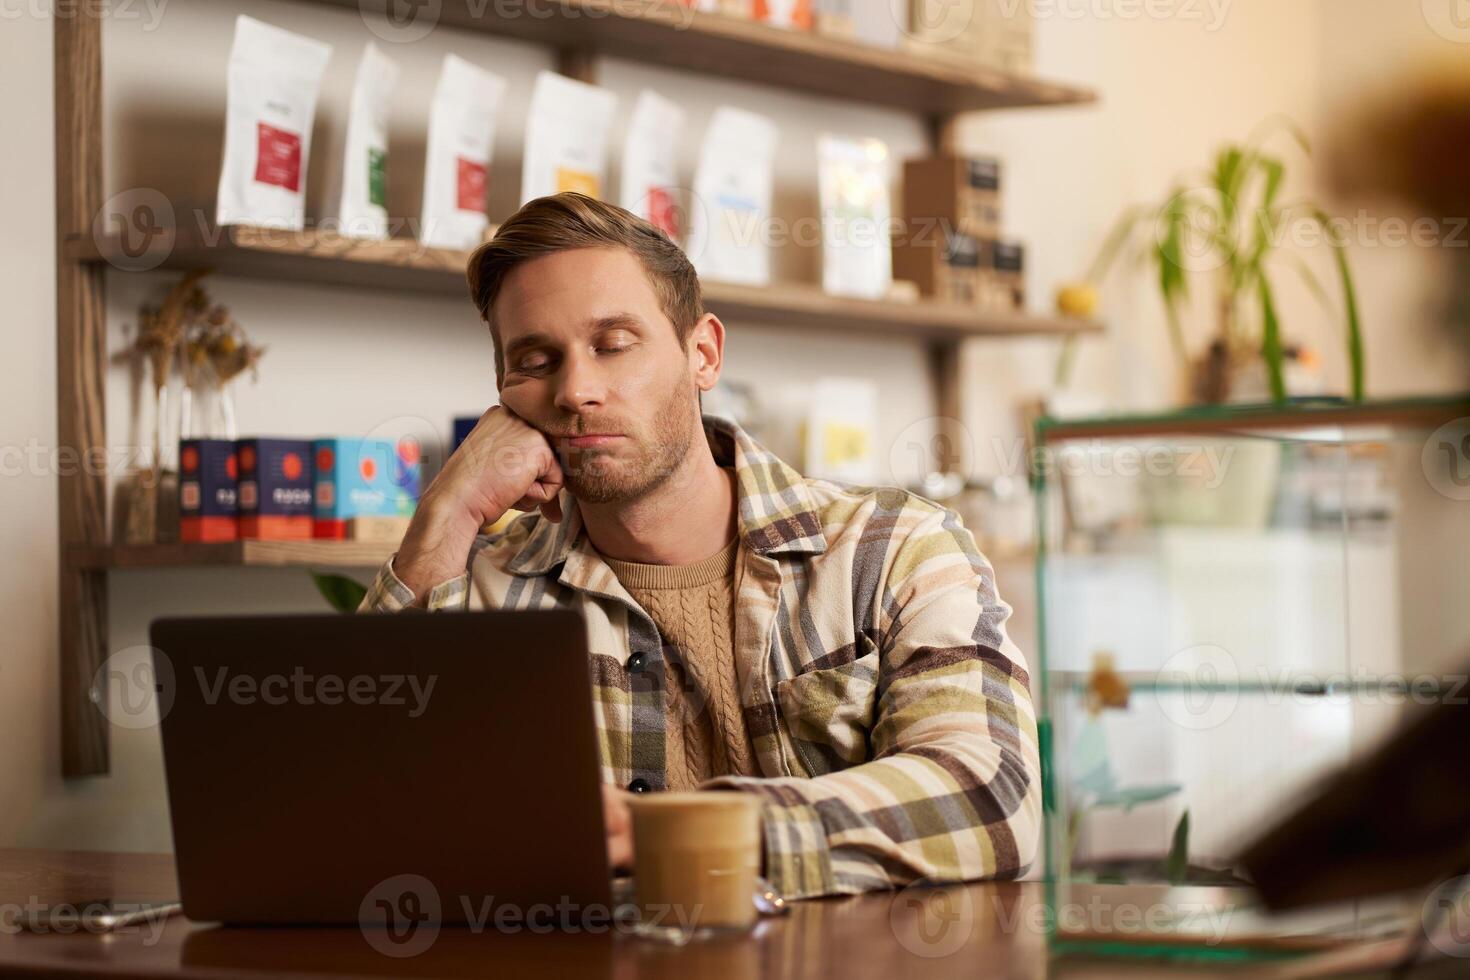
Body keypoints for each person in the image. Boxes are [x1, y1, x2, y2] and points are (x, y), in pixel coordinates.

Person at [360, 192, 1041, 900]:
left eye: (613, 344)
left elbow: (992, 796)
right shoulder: (484, 593)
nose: (576, 390)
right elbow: (348, 819)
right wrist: (446, 513)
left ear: (703, 354)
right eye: (535, 359)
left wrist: (705, 828)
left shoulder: (892, 552)